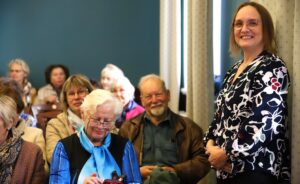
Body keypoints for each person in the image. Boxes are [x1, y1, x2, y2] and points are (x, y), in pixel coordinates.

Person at [204, 2, 290, 184]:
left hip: (255, 171)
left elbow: (264, 122)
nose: (244, 29)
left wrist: (226, 152)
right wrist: (210, 145)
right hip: (225, 171)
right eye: (238, 23)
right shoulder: (232, 71)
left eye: (252, 23)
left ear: (266, 29)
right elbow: (219, 118)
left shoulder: (273, 67)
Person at [119, 74, 210, 184]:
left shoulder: (189, 127)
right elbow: (116, 162)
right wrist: (136, 172)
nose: (154, 100)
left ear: (168, 95)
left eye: (158, 94)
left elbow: (203, 160)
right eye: (148, 96)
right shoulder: (128, 128)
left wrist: (177, 171)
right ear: (142, 100)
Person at [49, 89, 142, 183]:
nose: (101, 126)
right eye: (96, 119)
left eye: (107, 121)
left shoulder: (125, 146)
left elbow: (135, 182)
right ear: (83, 115)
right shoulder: (64, 147)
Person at [0, 79, 49, 174]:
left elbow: (44, 171)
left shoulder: (34, 134)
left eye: (13, 112)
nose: (9, 117)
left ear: (19, 111)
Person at [46, 74, 94, 163]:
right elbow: (53, 157)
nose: (76, 97)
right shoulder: (55, 124)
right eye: (71, 94)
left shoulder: (101, 119)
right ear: (65, 98)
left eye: (80, 92)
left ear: (90, 93)